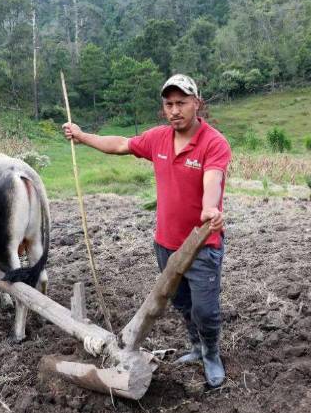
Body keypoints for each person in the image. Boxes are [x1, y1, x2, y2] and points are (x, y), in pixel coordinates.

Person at [62, 74, 231, 387]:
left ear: (197, 103)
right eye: (169, 104)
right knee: (181, 303)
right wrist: (83, 136)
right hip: (165, 244)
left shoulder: (213, 143)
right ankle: (195, 346)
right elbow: (121, 145)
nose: (175, 110)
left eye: (182, 103)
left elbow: (214, 179)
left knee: (205, 310)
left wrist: (210, 209)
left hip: (201, 245)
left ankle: (210, 353)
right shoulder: (158, 139)